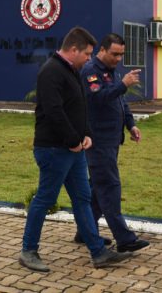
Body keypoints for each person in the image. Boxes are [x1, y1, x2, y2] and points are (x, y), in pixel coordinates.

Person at [20, 27, 134, 272]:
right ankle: (28, 251)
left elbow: (80, 108)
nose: (90, 58)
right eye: (87, 54)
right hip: (53, 149)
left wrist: (87, 134)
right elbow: (54, 112)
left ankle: (98, 252)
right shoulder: (51, 71)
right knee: (45, 199)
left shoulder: (73, 71)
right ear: (73, 50)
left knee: (83, 200)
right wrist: (73, 140)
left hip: (73, 149)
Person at [76, 33, 150, 253]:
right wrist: (123, 85)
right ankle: (125, 239)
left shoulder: (109, 71)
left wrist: (131, 124)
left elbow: (119, 101)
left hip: (111, 139)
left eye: (121, 54)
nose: (118, 58)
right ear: (102, 50)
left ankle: (84, 231)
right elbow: (96, 99)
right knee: (109, 187)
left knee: (98, 189)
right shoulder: (91, 71)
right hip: (98, 140)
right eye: (114, 54)